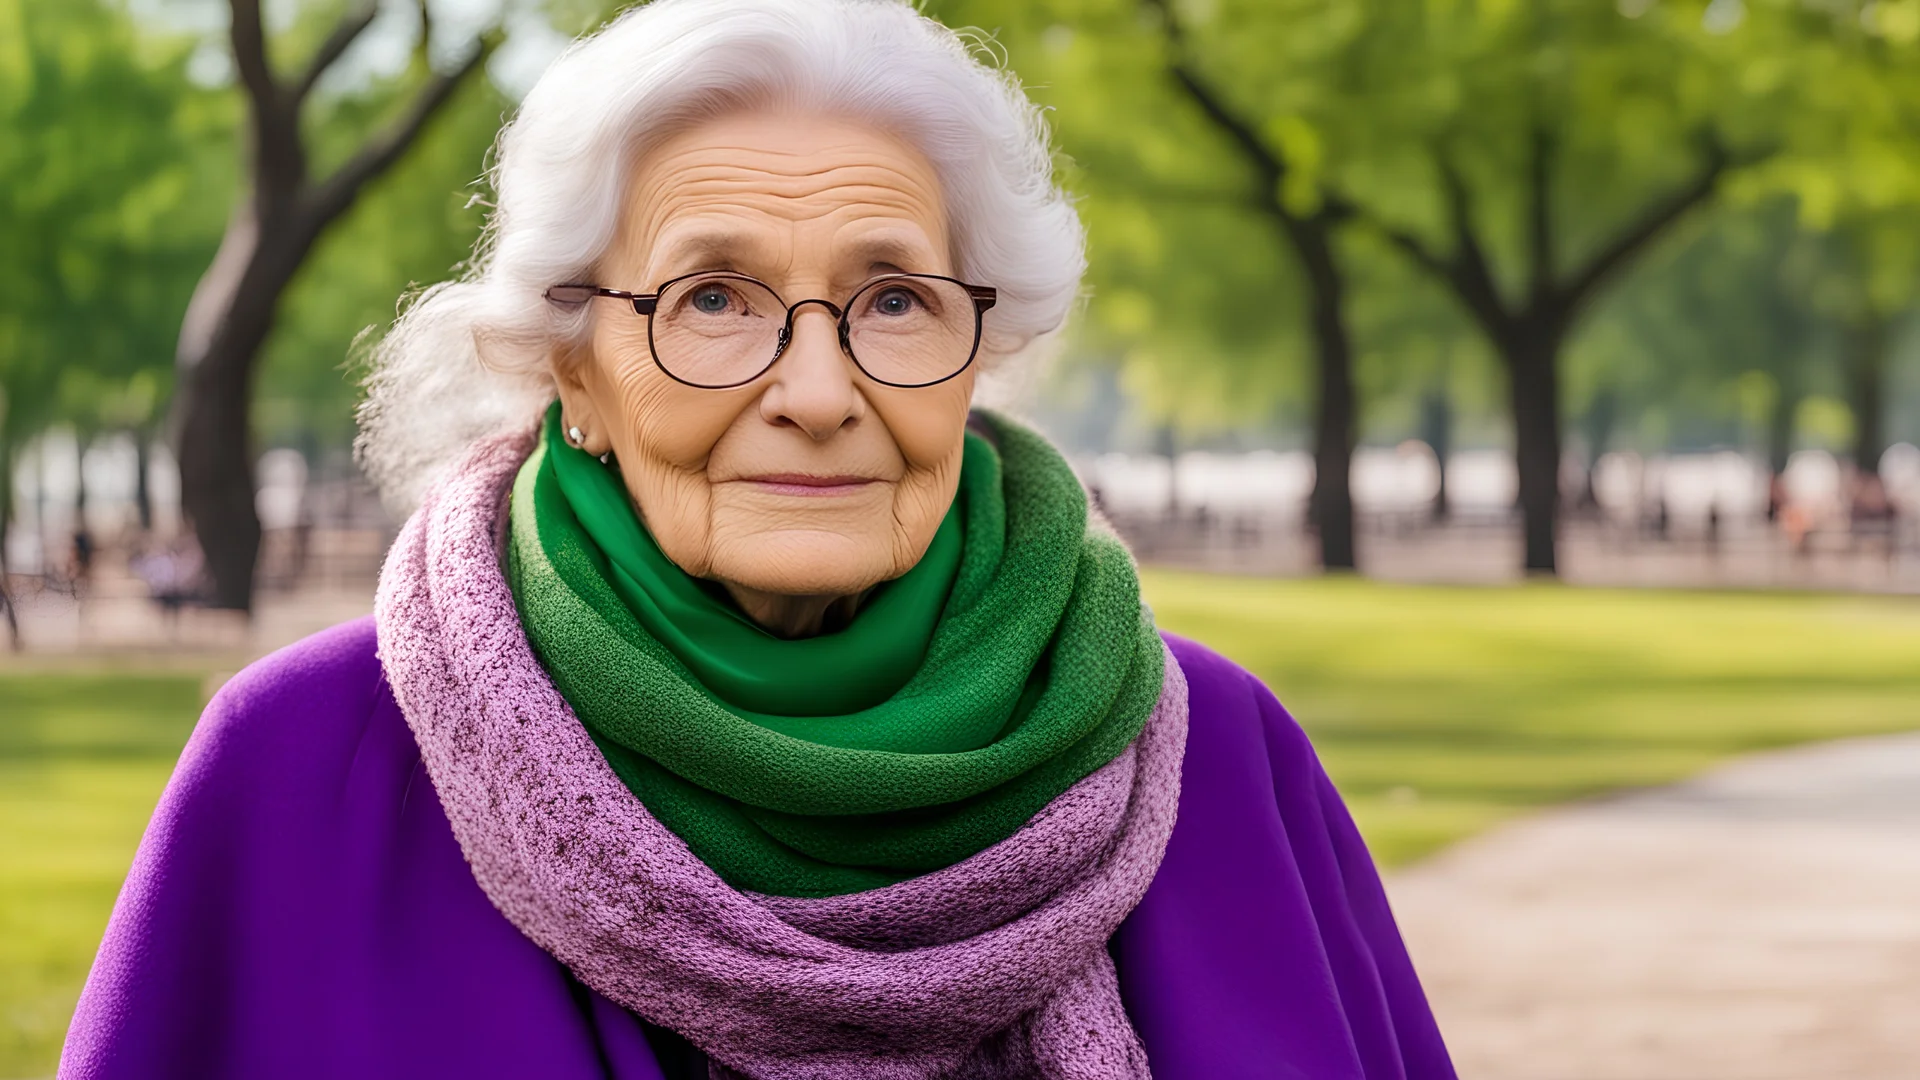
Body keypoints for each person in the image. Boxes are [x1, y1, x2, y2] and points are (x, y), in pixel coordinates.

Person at [61, 2, 1455, 1077]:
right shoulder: (306, 771)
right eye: (714, 299)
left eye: (896, 300)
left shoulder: (1218, 755)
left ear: (981, 351)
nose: (817, 392)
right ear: (575, 370)